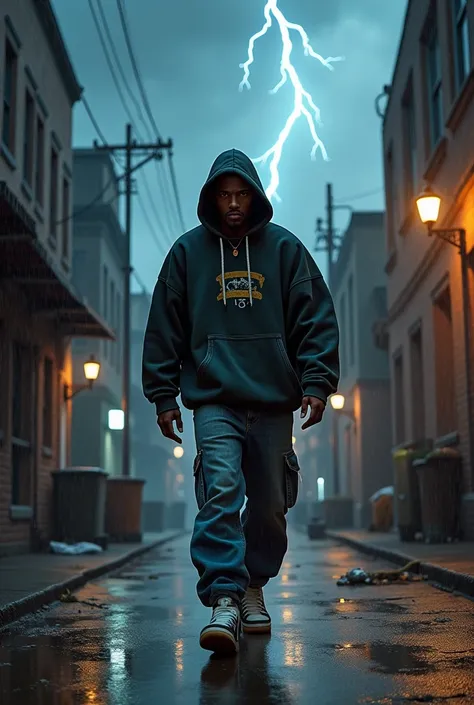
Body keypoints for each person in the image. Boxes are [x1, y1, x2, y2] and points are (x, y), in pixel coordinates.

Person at [142, 148, 339, 655]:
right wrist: (164, 395)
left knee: (271, 505)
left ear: (255, 196)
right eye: (224, 195)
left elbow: (315, 317)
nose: (233, 204)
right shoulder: (187, 254)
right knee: (221, 491)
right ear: (212, 197)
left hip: (274, 400)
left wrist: (316, 383)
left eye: (241, 194)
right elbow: (165, 326)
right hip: (214, 399)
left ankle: (254, 586)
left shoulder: (285, 251)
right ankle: (224, 600)